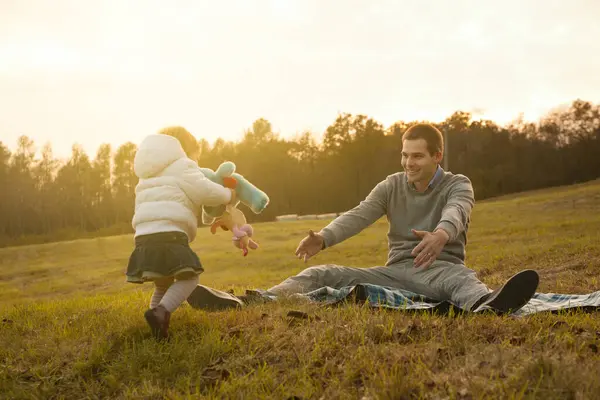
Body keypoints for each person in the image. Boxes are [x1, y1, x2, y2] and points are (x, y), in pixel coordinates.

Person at [188, 123, 539, 314]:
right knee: (320, 274)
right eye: (404, 155)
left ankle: (488, 304)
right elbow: (359, 214)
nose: (408, 163)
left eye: (417, 156)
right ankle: (253, 301)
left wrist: (441, 235)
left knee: (462, 281)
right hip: (394, 272)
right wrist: (323, 237)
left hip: (441, 270)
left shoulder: (457, 184)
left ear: (437, 156)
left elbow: (457, 212)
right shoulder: (391, 186)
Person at [126, 126, 236, 339]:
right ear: (184, 149)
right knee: (190, 278)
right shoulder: (183, 165)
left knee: (163, 282)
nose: (197, 162)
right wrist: (228, 195)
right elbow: (205, 191)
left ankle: (157, 325)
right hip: (170, 234)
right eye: (197, 156)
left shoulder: (146, 173)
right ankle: (162, 311)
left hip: (143, 237)